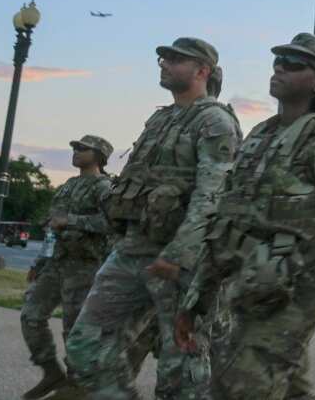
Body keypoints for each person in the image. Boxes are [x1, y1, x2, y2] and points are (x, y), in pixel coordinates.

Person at [173, 33, 315, 398]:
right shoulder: (261, 136)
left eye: (294, 65)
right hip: (252, 284)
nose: (279, 68)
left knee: (240, 386)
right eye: (279, 61)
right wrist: (195, 301)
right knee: (286, 387)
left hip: (297, 290)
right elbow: (226, 223)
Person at [67, 37, 242, 400]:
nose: (163, 63)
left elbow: (211, 195)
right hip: (133, 250)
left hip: (181, 262)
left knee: (180, 370)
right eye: (163, 57)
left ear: (202, 71)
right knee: (84, 345)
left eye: (175, 59)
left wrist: (179, 253)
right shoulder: (160, 118)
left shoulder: (214, 120)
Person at [20, 136, 114, 400]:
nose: (75, 152)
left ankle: (76, 387)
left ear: (99, 155)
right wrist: (39, 262)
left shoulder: (104, 187)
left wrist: (71, 220)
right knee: (30, 315)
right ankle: (51, 372)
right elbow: (52, 227)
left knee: (74, 330)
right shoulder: (67, 186)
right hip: (57, 264)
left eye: (82, 148)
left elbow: (111, 224)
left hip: (85, 268)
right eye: (74, 147)